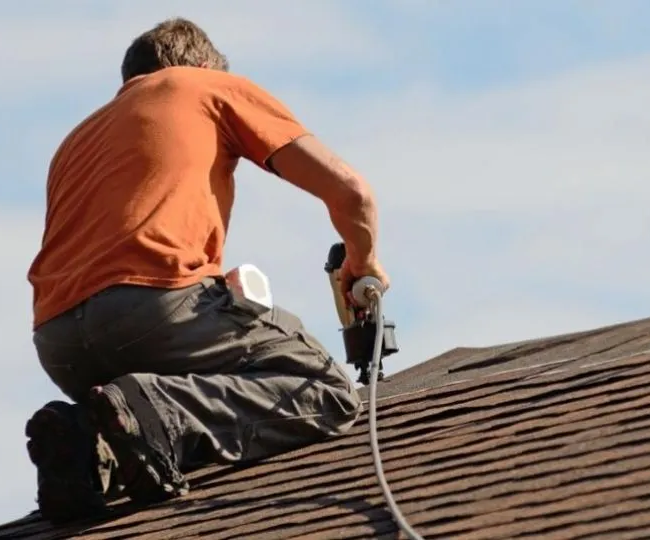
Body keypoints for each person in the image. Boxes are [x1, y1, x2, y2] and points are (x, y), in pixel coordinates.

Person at [22, 17, 391, 524]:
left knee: (139, 415)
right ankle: (156, 411)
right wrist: (362, 259)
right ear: (199, 65)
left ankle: (87, 446)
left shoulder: (77, 139)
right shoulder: (204, 86)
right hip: (153, 308)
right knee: (324, 390)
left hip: (59, 342)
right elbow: (352, 194)